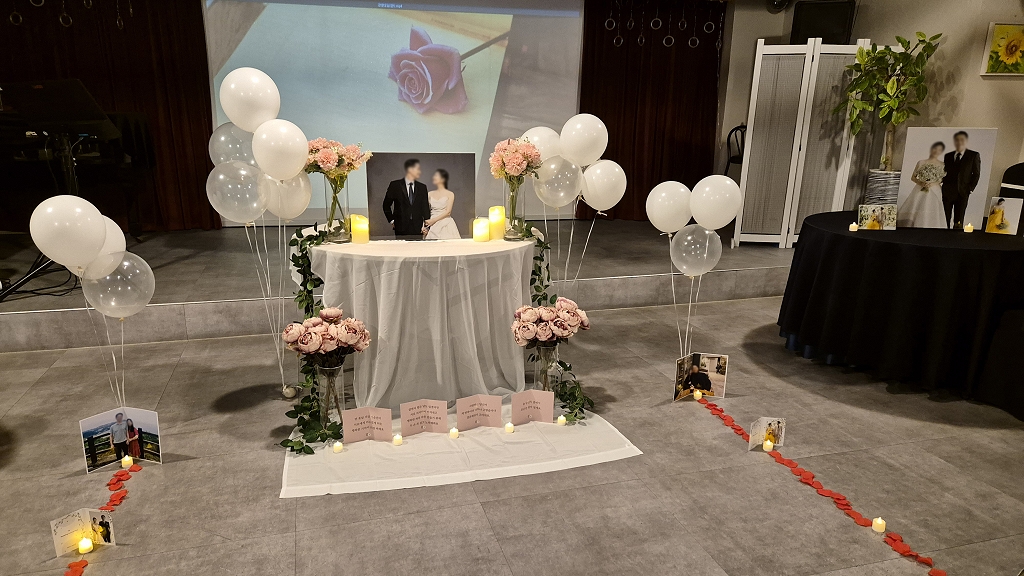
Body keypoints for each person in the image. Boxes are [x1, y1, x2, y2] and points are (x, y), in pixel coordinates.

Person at [898, 142, 948, 228]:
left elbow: (943, 179)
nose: (936, 151)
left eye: (939, 150)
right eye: (935, 148)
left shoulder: (942, 164)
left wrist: (933, 183)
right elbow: (913, 177)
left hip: (935, 189)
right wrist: (921, 182)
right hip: (921, 188)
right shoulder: (921, 162)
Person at [942, 131, 982, 229]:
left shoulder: (973, 155)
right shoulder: (948, 156)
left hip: (963, 192)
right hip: (947, 191)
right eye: (957, 140)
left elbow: (976, 174)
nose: (959, 142)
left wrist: (970, 189)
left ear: (966, 141)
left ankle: (956, 236)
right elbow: (944, 172)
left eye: (962, 140)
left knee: (959, 220)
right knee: (944, 218)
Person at [382, 158, 430, 238]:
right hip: (400, 227)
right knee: (401, 246)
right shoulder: (395, 185)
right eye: (418, 169)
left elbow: (425, 207)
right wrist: (392, 221)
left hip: (418, 228)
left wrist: (427, 226)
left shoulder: (422, 187)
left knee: (418, 246)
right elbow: (386, 205)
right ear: (410, 169)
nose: (419, 172)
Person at [423, 169, 461, 240]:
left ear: (443, 179)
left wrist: (433, 220)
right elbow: (424, 210)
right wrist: (424, 225)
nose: (434, 177)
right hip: (432, 224)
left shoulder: (450, 194)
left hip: (445, 222)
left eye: (436, 175)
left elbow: (448, 212)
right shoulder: (429, 194)